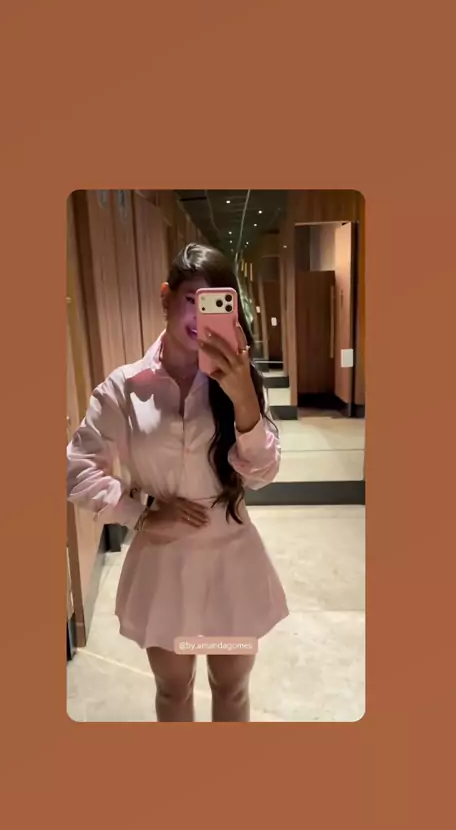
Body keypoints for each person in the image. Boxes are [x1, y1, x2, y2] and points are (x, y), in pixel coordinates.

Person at [67, 243, 289, 722]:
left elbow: (262, 474)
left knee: (231, 689)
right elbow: (78, 467)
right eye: (192, 299)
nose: (199, 315)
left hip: (231, 565)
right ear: (166, 297)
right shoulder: (124, 388)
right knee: (173, 691)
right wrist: (138, 512)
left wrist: (244, 399)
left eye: (215, 302)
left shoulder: (239, 381)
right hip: (164, 569)